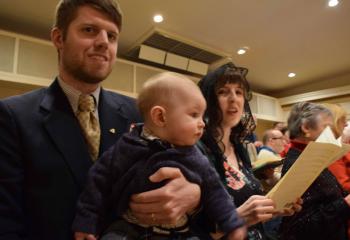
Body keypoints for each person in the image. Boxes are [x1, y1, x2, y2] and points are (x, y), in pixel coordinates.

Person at [0, 1, 200, 239]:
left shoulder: (140, 112)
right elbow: (6, 222)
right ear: (58, 38)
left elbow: (191, 167)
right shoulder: (13, 116)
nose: (104, 42)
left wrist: (194, 195)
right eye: (89, 30)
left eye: (112, 36)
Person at [73, 72, 247, 240]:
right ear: (160, 116)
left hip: (180, 232)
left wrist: (232, 222)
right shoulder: (126, 147)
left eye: (202, 116)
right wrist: (86, 221)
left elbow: (215, 190)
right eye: (194, 115)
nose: (202, 123)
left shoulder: (194, 154)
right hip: (129, 227)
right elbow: (97, 182)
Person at [196, 62, 301, 240]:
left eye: (239, 92)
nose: (234, 98)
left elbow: (248, 209)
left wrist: (273, 209)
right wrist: (238, 218)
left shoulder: (239, 148)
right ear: (207, 101)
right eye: (222, 92)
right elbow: (188, 230)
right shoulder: (196, 151)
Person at [280, 102, 350, 240]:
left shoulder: (312, 156)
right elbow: (300, 227)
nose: (334, 134)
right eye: (327, 128)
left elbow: (331, 195)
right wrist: (345, 203)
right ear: (306, 128)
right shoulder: (298, 163)